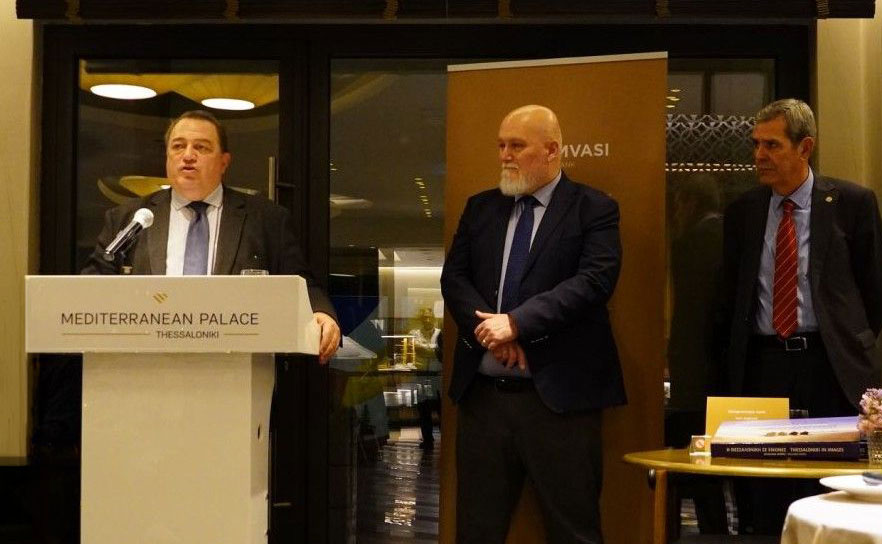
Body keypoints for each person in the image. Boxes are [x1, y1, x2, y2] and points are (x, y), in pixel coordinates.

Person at [440, 104, 625, 543]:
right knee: (476, 532)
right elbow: (455, 279)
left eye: (517, 146)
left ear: (552, 150)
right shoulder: (481, 208)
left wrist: (517, 323)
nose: (505, 155)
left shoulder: (594, 208)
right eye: (501, 145)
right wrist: (492, 333)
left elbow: (594, 282)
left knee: (574, 532)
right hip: (485, 402)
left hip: (560, 401)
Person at [722, 98, 882, 533]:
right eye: (756, 144)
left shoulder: (852, 203)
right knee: (766, 494)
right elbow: (730, 300)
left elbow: (873, 292)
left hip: (830, 365)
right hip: (764, 365)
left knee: (833, 486)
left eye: (772, 145)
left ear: (805, 147)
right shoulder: (743, 212)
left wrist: (848, 342)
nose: (759, 155)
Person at [82, 110, 340, 362]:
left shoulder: (265, 219)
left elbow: (300, 283)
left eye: (201, 147)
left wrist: (320, 313)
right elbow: (91, 288)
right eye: (178, 146)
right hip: (143, 366)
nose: (188, 156)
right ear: (167, 156)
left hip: (236, 367)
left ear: (224, 162)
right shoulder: (129, 218)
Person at [408, 306, 441, 450]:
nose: (427, 320)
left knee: (440, 408)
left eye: (429, 317)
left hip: (437, 376)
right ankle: (427, 440)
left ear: (433, 318)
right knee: (423, 409)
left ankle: (445, 440)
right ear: (421, 319)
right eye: (424, 317)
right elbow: (417, 348)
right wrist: (433, 350)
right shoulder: (414, 333)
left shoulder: (441, 334)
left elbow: (439, 352)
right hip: (420, 375)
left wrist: (425, 349)